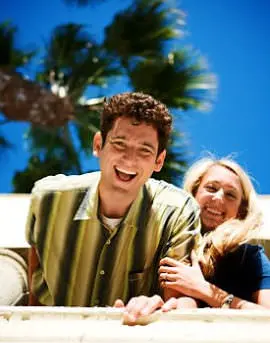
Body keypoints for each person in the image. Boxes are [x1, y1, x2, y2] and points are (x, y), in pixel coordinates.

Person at [25, 92, 201, 313]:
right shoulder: (47, 200)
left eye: (144, 150)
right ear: (98, 144)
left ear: (159, 160)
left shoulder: (178, 212)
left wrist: (165, 307)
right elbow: (36, 286)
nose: (129, 159)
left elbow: (179, 299)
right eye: (120, 144)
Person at [159, 157, 270, 310]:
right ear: (193, 193)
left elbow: (267, 315)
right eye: (211, 188)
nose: (218, 198)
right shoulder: (167, 238)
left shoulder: (251, 257)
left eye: (230, 195)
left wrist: (204, 290)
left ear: (241, 210)